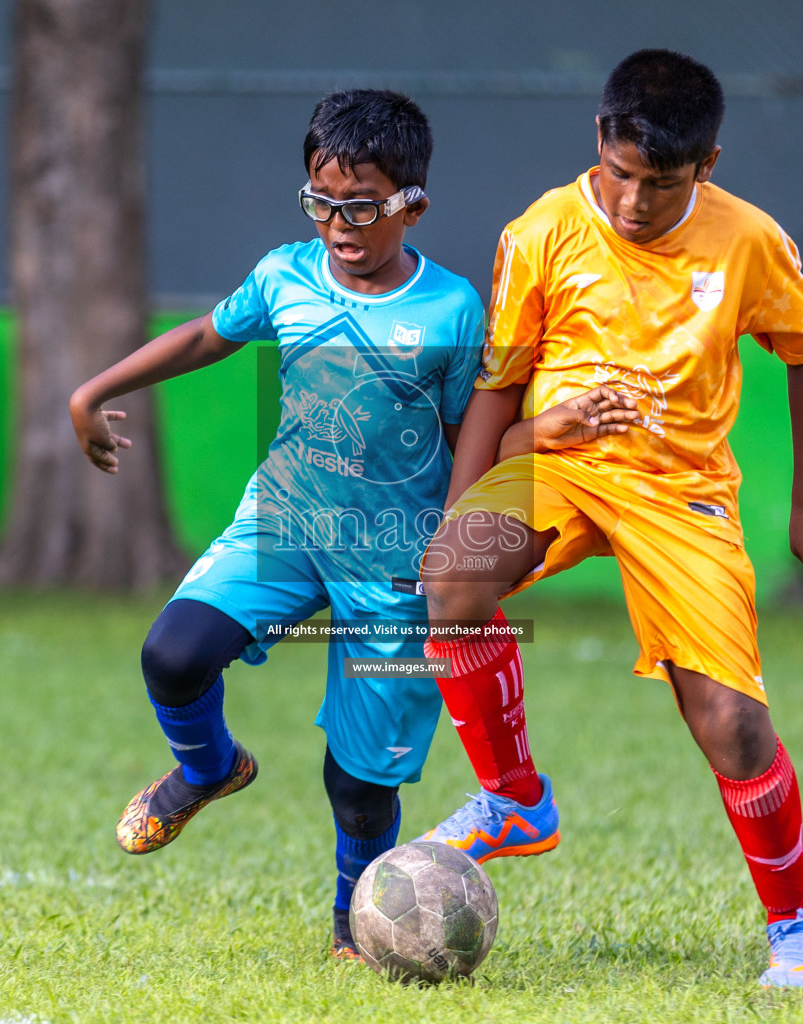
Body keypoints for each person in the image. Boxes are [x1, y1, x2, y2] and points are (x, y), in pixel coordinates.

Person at [416, 49, 803, 988]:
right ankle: (513, 798)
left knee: (731, 723)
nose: (631, 202)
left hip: (682, 492)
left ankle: (797, 929)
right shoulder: (540, 231)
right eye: (618, 173)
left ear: (708, 165)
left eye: (658, 184)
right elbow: (496, 390)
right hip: (562, 463)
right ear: (599, 144)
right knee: (450, 580)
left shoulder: (749, 242)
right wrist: (456, 520)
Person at [68, 89, 484, 960]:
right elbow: (205, 337)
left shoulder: (450, 312)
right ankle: (210, 769)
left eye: (362, 205)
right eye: (321, 202)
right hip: (284, 523)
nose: (339, 223)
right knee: (172, 655)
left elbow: (465, 440)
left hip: (392, 561)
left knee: (360, 781)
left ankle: (353, 931)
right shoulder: (284, 275)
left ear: (413, 204)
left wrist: (459, 549)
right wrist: (95, 390)